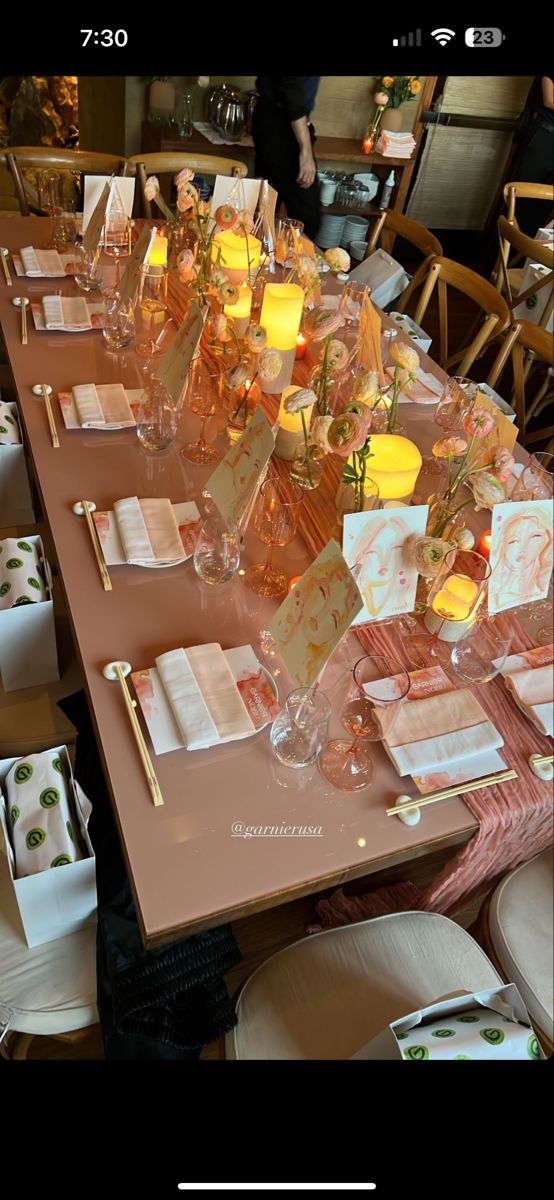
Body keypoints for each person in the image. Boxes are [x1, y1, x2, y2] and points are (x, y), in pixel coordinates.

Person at [252, 76, 321, 241]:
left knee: (267, 208)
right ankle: (286, 262)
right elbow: (293, 93)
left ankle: (266, 261)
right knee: (307, 220)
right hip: (283, 127)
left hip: (274, 121)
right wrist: (305, 151)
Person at [510, 76, 554, 237]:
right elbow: (549, 100)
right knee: (522, 200)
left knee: (545, 206)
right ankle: (501, 257)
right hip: (545, 134)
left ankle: (522, 259)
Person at [489, 509, 553, 611]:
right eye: (514, 541)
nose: (523, 547)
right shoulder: (494, 587)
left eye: (534, 537)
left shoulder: (536, 590)